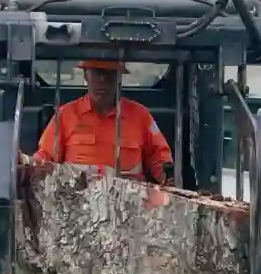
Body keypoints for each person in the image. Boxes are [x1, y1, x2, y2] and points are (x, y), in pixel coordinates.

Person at [24, 60, 174, 185]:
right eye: (97, 72)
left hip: (130, 205)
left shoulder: (141, 116)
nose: (102, 80)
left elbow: (159, 158)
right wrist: (30, 165)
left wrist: (166, 177)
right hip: (78, 204)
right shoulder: (65, 115)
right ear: (86, 75)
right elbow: (45, 156)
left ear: (118, 77)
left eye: (109, 73)